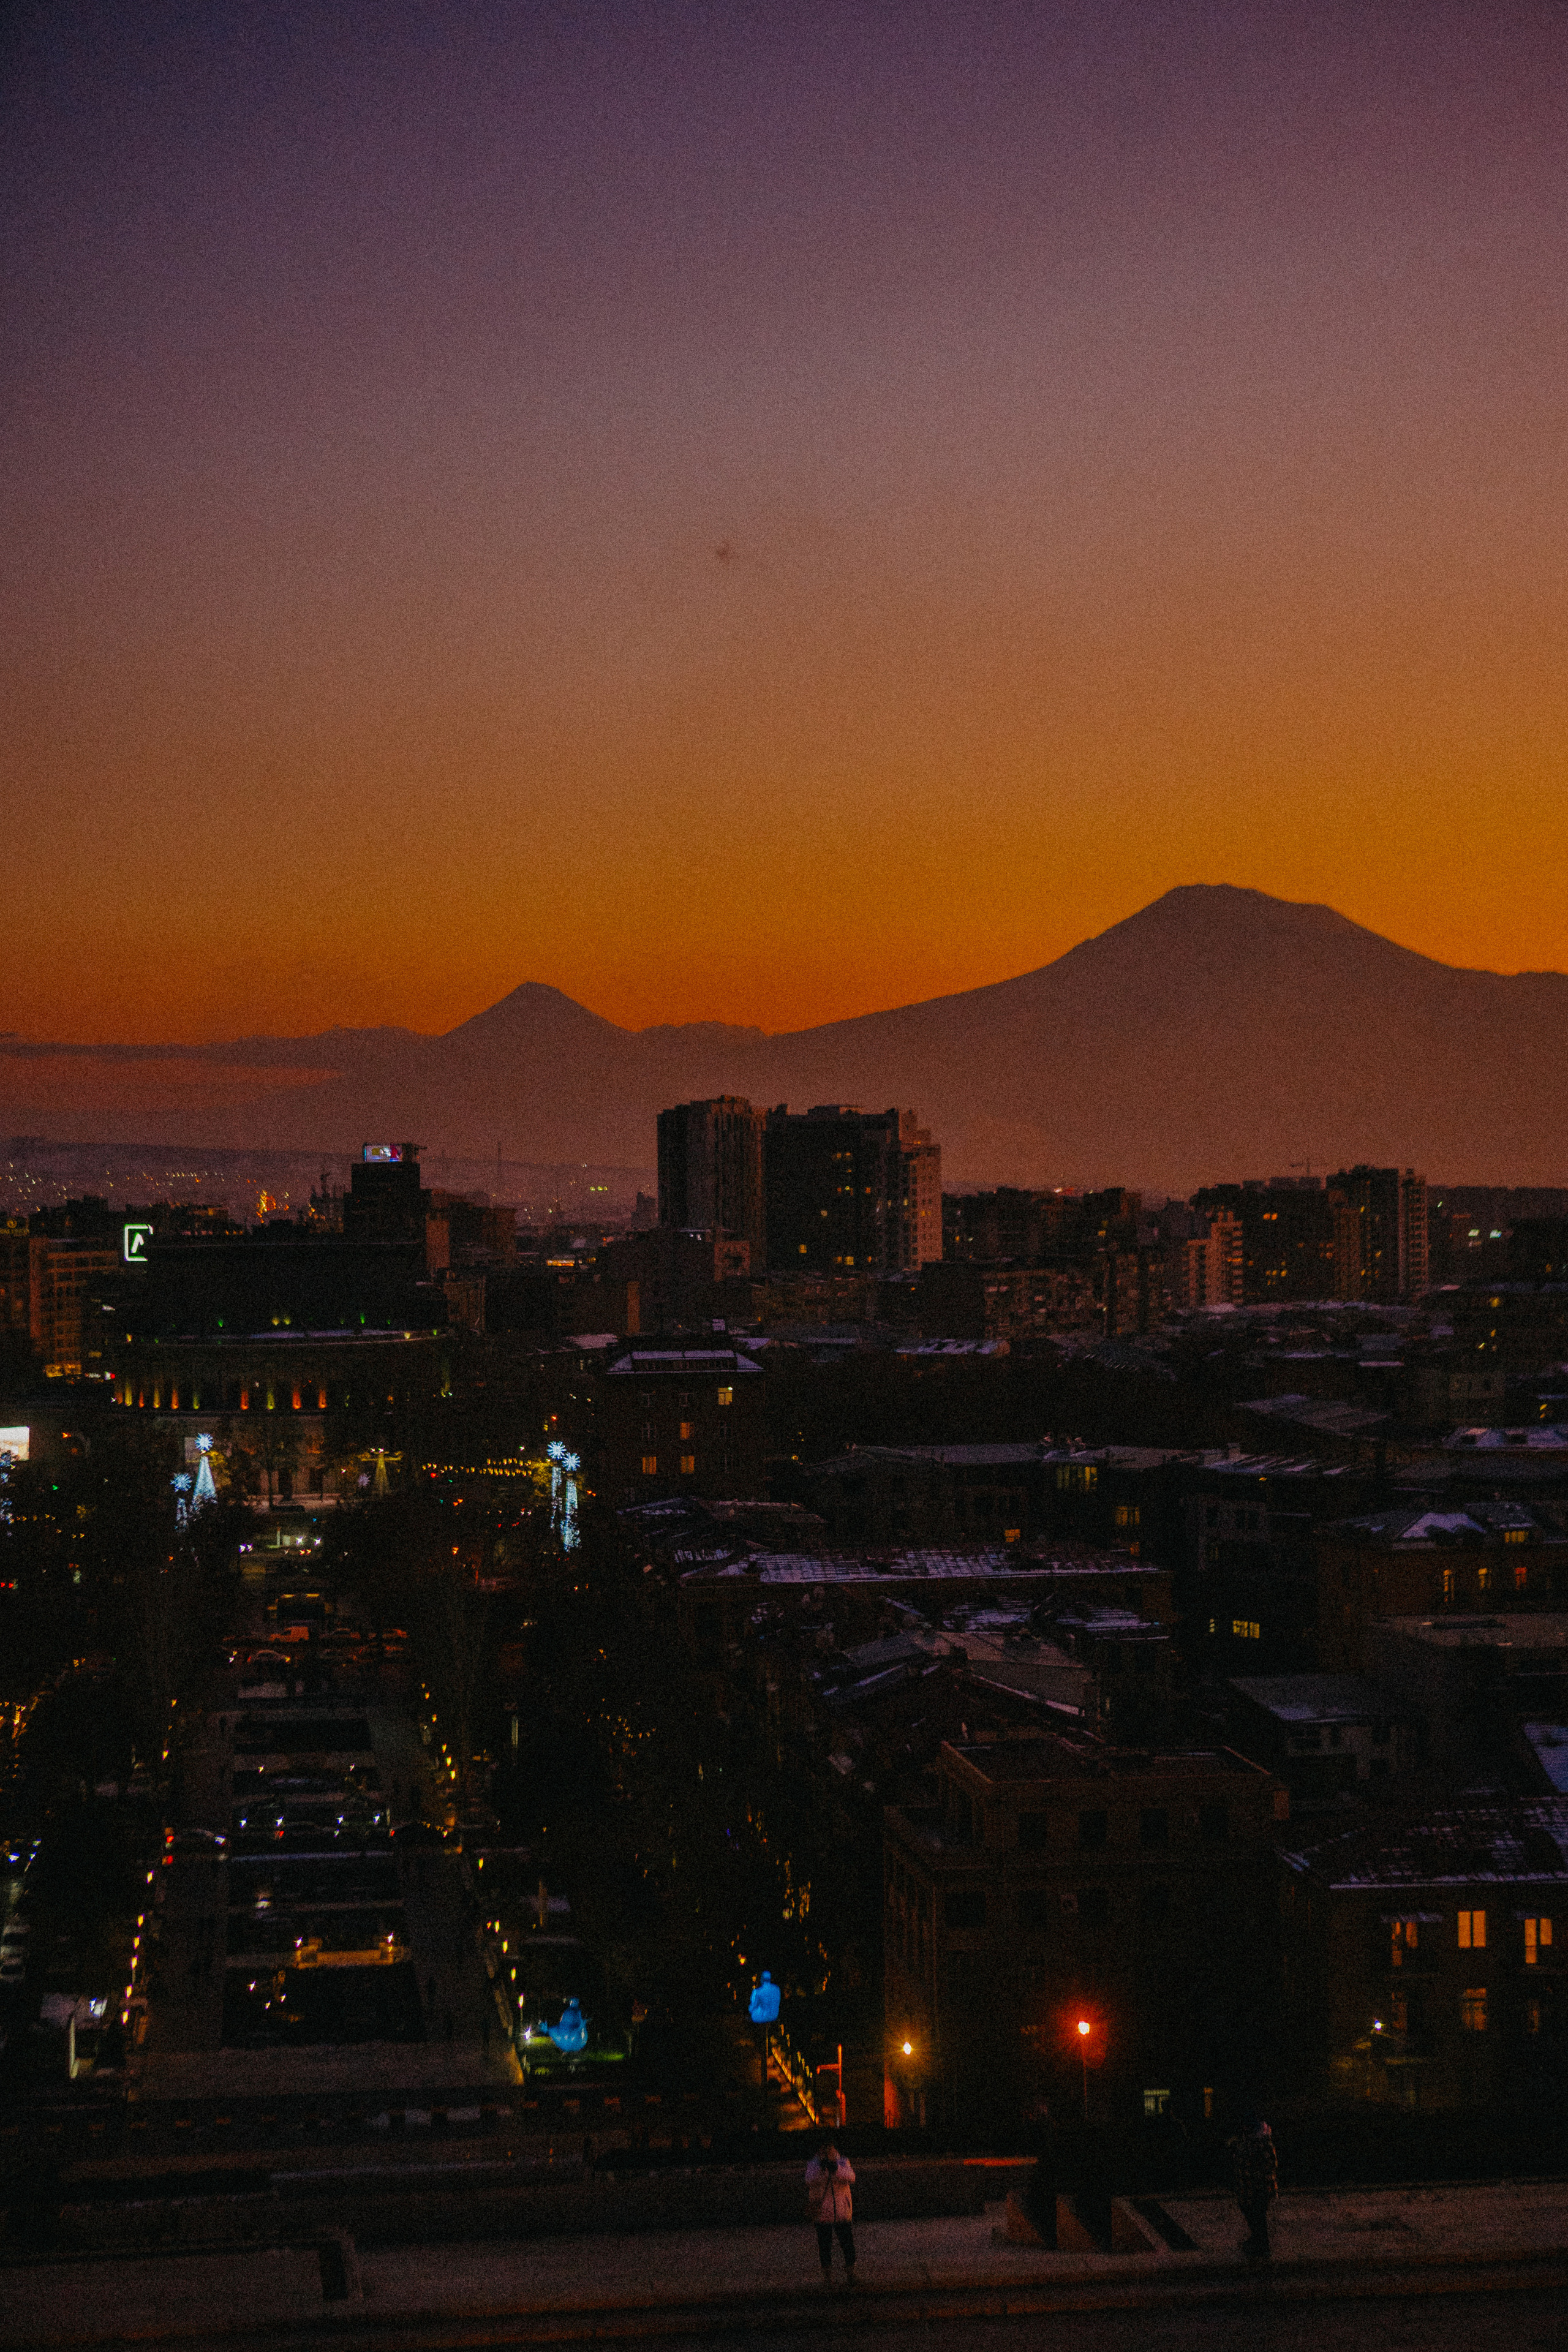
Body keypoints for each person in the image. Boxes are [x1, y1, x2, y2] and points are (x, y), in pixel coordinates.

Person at [805, 2141, 856, 2285]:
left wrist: (836, 2169)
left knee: (847, 2244)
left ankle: (851, 2273)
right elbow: (809, 2180)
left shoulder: (842, 2161)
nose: (827, 2151)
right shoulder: (813, 2164)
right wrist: (822, 2169)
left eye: (830, 2147)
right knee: (825, 2246)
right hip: (823, 2212)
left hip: (841, 2210)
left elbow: (851, 2177)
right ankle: (827, 2277)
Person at [1231, 2114, 1279, 2259]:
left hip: (1258, 2187)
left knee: (1257, 2216)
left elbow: (1268, 2164)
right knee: (1253, 2214)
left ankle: (1262, 2246)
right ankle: (1258, 2241)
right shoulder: (1253, 2141)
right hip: (1249, 2187)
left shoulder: (1261, 2143)